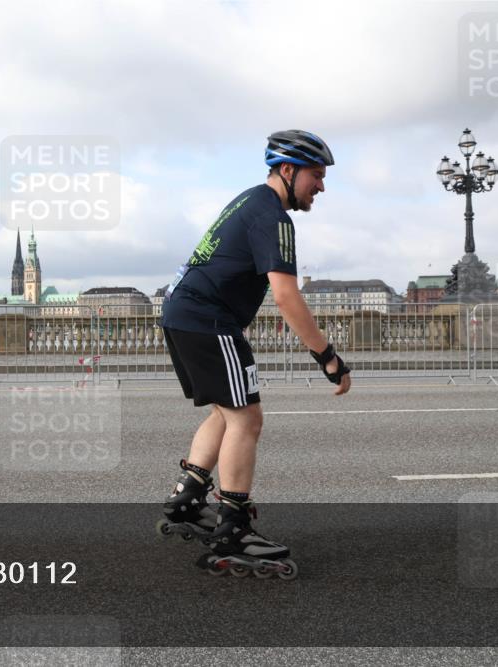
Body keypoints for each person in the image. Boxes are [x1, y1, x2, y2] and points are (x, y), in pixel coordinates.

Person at [158, 129, 351, 572]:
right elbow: (286, 296)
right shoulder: (273, 218)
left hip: (182, 313)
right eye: (315, 176)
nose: (320, 186)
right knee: (247, 418)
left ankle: (188, 498)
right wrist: (327, 356)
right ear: (288, 170)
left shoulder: (248, 200)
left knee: (225, 412)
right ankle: (233, 528)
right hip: (209, 320)